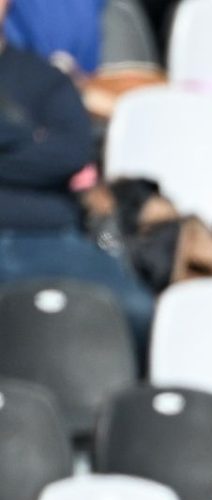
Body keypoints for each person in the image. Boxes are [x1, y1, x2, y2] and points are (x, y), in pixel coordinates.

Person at [0, 0, 153, 347]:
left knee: (137, 311)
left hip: (49, 235)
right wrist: (26, 137)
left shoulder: (46, 78)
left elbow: (69, 153)